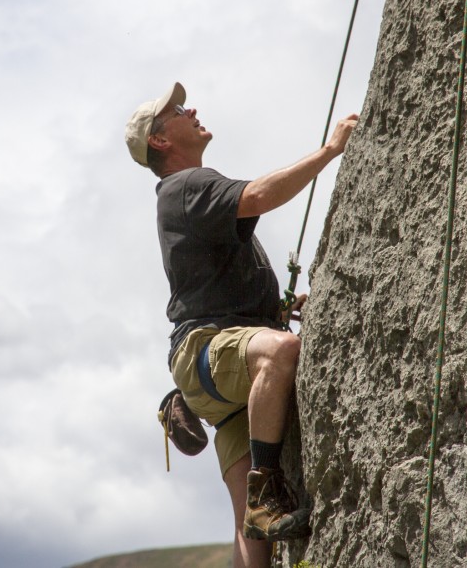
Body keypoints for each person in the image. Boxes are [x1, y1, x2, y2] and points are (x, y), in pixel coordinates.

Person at [125, 82, 359, 568]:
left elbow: (215, 285)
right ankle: (266, 487)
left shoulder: (185, 197)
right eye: (177, 110)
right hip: (211, 350)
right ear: (161, 140)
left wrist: (273, 311)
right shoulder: (187, 185)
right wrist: (331, 151)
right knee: (280, 351)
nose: (192, 110)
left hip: (220, 376)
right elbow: (257, 195)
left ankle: (256, 501)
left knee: (250, 536)